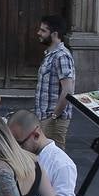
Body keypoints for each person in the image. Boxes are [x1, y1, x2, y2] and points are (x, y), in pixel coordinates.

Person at [35, 15, 75, 149]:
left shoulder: (61, 56)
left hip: (54, 119)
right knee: (45, 156)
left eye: (43, 30)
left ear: (54, 34)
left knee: (54, 157)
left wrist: (54, 115)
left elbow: (68, 90)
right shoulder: (50, 54)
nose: (39, 33)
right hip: (45, 116)